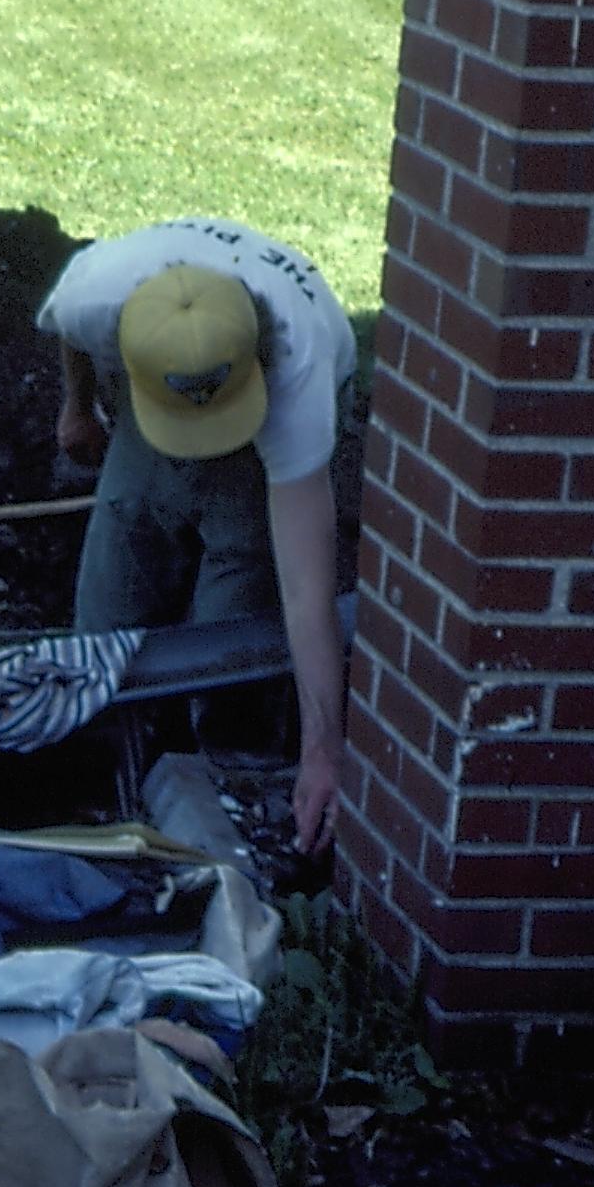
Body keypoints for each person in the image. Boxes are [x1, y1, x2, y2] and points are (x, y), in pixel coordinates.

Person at [37, 218, 356, 854]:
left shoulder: (301, 369)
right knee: (118, 564)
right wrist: (76, 407)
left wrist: (326, 750)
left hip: (261, 420)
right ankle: (99, 755)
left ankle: (234, 763)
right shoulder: (96, 295)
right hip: (148, 399)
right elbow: (70, 333)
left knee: (237, 608)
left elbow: (307, 592)